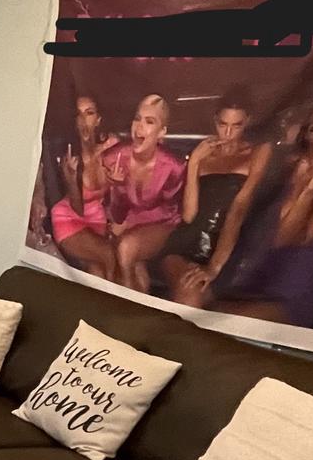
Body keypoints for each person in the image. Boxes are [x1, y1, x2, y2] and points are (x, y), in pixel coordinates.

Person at [218, 91, 313, 328]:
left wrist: (308, 194)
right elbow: (245, 214)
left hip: (297, 290)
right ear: (307, 134)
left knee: (218, 321)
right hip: (252, 273)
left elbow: (285, 238)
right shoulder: (287, 168)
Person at [158, 90, 273, 307]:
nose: (228, 132)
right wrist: (194, 163)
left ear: (247, 121)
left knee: (196, 302)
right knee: (189, 293)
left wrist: (215, 266)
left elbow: (239, 209)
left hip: (227, 246)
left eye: (236, 125)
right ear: (214, 121)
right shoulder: (202, 154)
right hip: (184, 244)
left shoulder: (258, 152)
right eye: (222, 124)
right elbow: (189, 216)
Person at [104, 93, 187, 293]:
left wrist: (132, 228)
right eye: (137, 118)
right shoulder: (113, 158)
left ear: (161, 132)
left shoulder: (173, 167)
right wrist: (118, 186)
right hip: (125, 221)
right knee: (130, 262)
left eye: (150, 121)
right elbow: (116, 215)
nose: (139, 127)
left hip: (162, 223)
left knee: (126, 248)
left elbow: (172, 210)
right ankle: (138, 312)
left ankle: (128, 309)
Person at [51, 92, 117, 279]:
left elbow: (122, 190)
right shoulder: (71, 155)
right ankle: (115, 304)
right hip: (69, 218)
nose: (83, 119)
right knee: (108, 254)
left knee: (97, 271)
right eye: (79, 114)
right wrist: (71, 178)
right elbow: (78, 209)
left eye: (89, 113)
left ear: (98, 119)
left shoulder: (111, 146)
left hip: (98, 218)